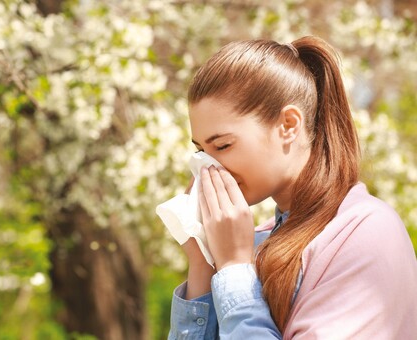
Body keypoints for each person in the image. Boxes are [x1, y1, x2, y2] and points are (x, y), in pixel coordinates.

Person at [167, 36, 417, 339]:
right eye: (201, 152)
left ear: (288, 125)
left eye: (222, 145)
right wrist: (203, 263)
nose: (209, 167)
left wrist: (233, 268)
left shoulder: (365, 233)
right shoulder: (257, 242)